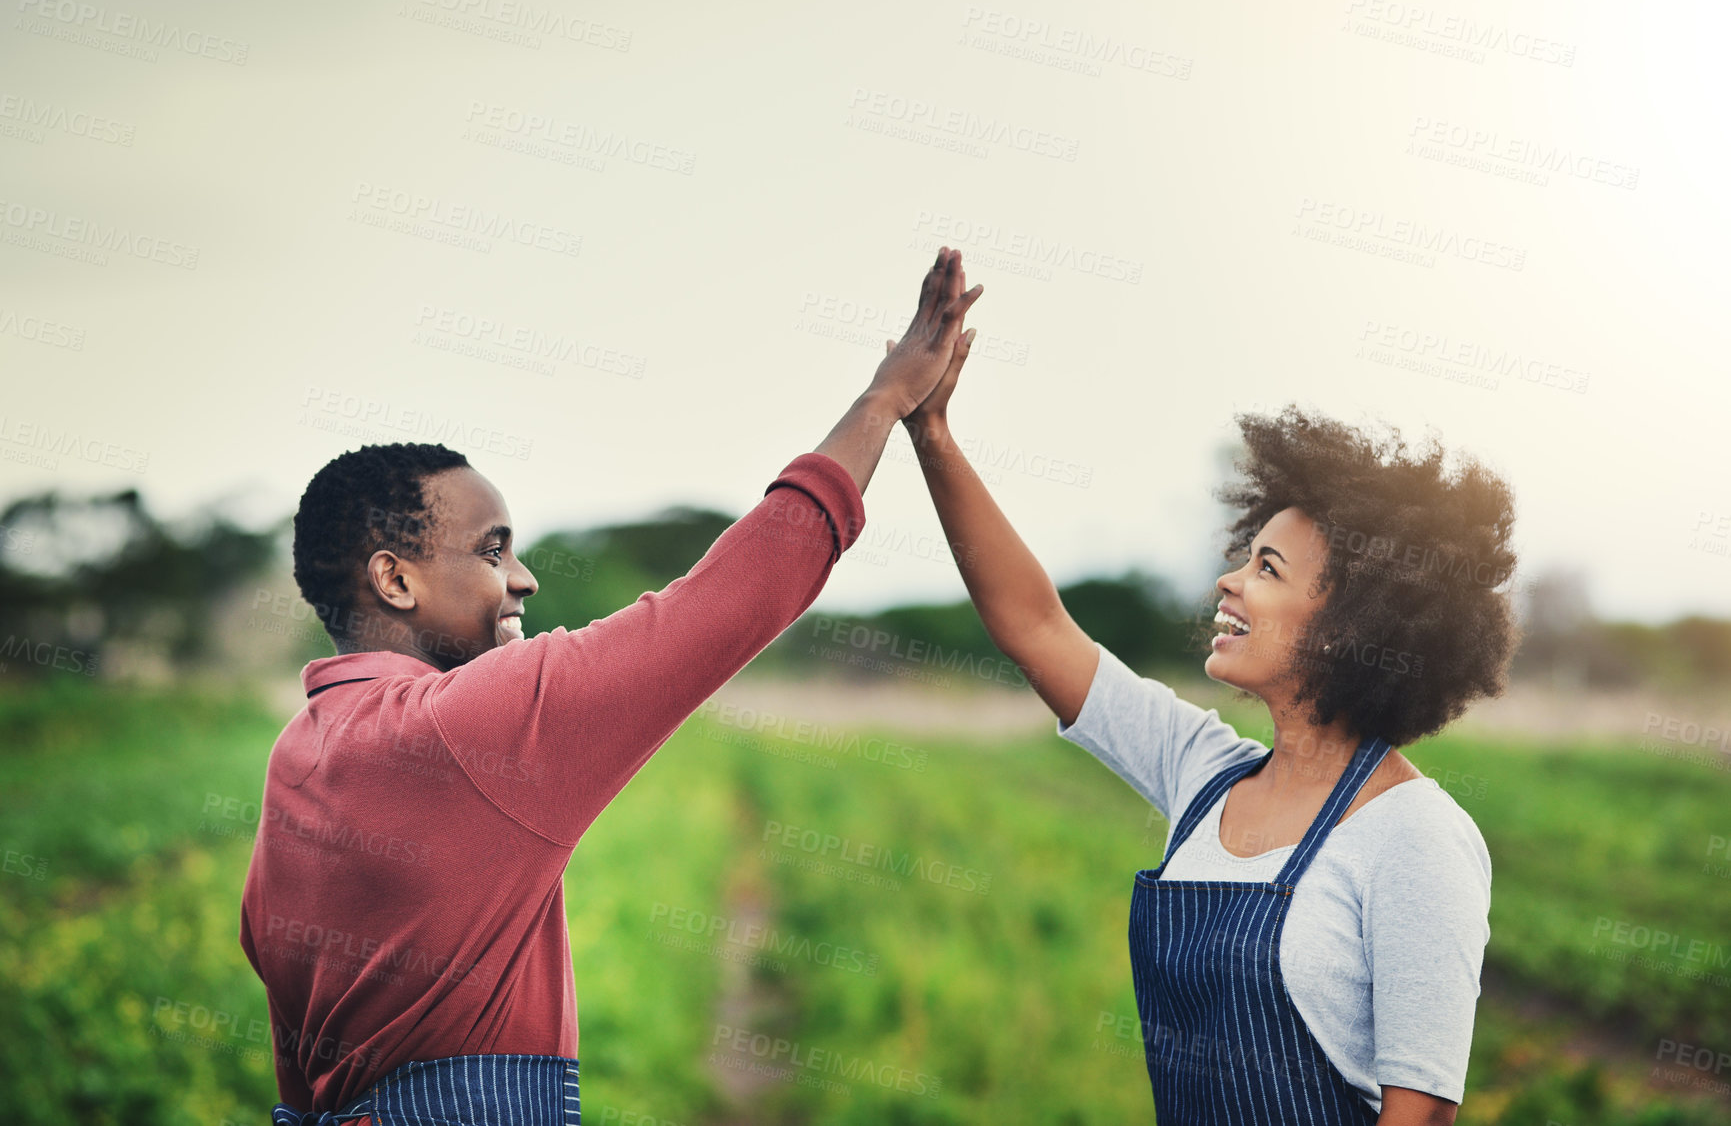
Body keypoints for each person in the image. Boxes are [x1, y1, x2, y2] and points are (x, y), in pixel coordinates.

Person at [239, 250, 984, 1125]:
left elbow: (299, 1054)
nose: (523, 580)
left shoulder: (299, 753)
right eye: (491, 549)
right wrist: (883, 403)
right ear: (394, 580)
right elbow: (730, 598)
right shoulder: (470, 723)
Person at [900, 340, 1516, 1123]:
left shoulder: (1415, 836)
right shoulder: (1201, 769)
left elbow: (1419, 1115)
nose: (1228, 578)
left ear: (1349, 624)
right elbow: (1035, 626)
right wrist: (933, 435)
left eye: (1266, 568)